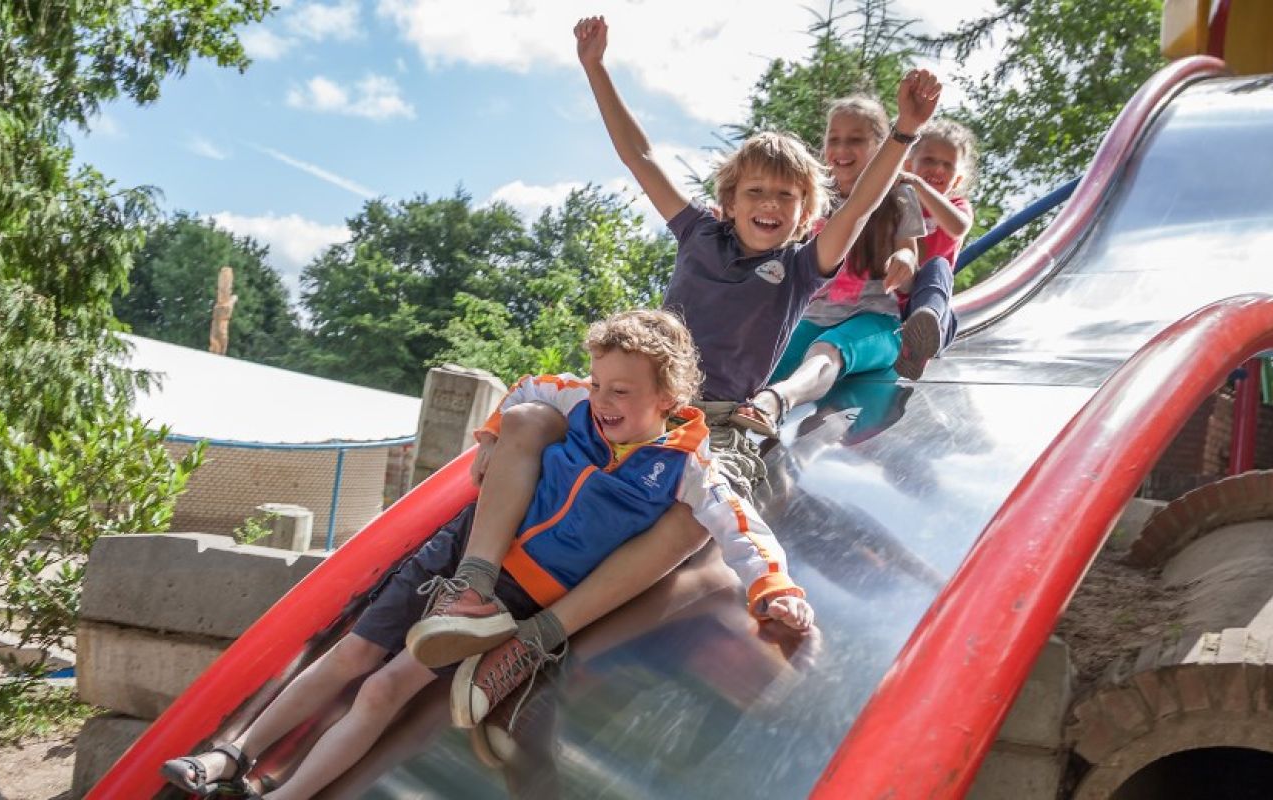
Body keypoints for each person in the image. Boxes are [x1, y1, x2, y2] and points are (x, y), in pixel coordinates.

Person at [400, 16, 938, 744]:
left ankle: (534, 645)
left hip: (713, 420)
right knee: (530, 423)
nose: (769, 206)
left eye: (785, 197)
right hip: (637, 399)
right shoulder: (696, 233)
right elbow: (639, 154)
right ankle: (473, 584)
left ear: (806, 211)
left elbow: (866, 201)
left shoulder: (804, 266)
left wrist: (903, 134)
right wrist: (596, 69)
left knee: (688, 520)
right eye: (756, 192)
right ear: (730, 195)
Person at [160, 309, 814, 799]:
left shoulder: (686, 467)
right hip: (465, 552)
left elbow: (742, 529)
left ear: (666, 402)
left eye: (622, 391)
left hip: (521, 595)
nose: (602, 401)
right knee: (353, 654)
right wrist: (496, 431)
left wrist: (774, 588)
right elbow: (528, 387)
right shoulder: (577, 404)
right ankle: (229, 754)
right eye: (598, 383)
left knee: (386, 690)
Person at [732, 92, 935, 436]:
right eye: (834, 140)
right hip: (814, 314)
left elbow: (909, 259)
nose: (841, 150)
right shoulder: (814, 198)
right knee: (766, 355)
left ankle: (778, 400)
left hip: (874, 320)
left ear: (879, 147)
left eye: (855, 140)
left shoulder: (899, 196)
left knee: (827, 349)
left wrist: (903, 260)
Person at [894, 119, 978, 380]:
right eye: (929, 159)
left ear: (958, 178)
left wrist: (920, 186)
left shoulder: (957, 205)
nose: (937, 168)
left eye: (947, 164)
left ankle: (924, 331)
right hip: (895, 306)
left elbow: (957, 227)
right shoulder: (899, 202)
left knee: (937, 266)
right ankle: (910, 343)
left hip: (936, 313)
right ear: (910, 165)